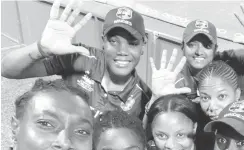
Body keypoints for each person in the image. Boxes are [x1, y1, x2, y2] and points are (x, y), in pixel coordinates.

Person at [1, 0, 151, 119]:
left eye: (132, 43)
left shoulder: (143, 96)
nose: (122, 51)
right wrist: (40, 48)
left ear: (143, 46)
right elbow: (8, 70)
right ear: (103, 42)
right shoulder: (81, 57)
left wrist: (157, 100)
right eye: (113, 41)